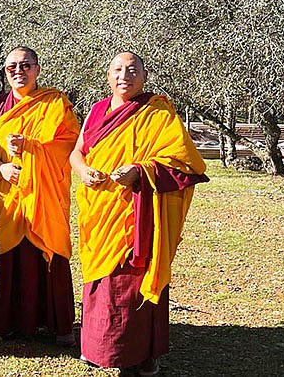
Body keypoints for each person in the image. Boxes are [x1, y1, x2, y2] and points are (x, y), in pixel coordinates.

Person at [70, 52, 209, 375]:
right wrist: (81, 169)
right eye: (117, 69)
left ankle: (139, 354)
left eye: (132, 70)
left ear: (144, 76)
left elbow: (185, 162)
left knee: (132, 280)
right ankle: (98, 349)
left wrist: (138, 170)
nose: (124, 76)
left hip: (137, 211)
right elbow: (78, 151)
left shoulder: (157, 112)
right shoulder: (96, 110)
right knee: (100, 282)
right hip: (99, 208)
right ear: (108, 76)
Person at [0, 46, 79, 345]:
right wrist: (2, 167)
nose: (19, 72)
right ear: (5, 72)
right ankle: (11, 323)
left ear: (37, 69)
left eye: (25, 65)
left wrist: (33, 147)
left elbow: (70, 145)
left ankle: (58, 325)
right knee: (13, 257)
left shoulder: (55, 103)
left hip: (45, 194)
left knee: (51, 251)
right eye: (12, 67)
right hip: (12, 195)